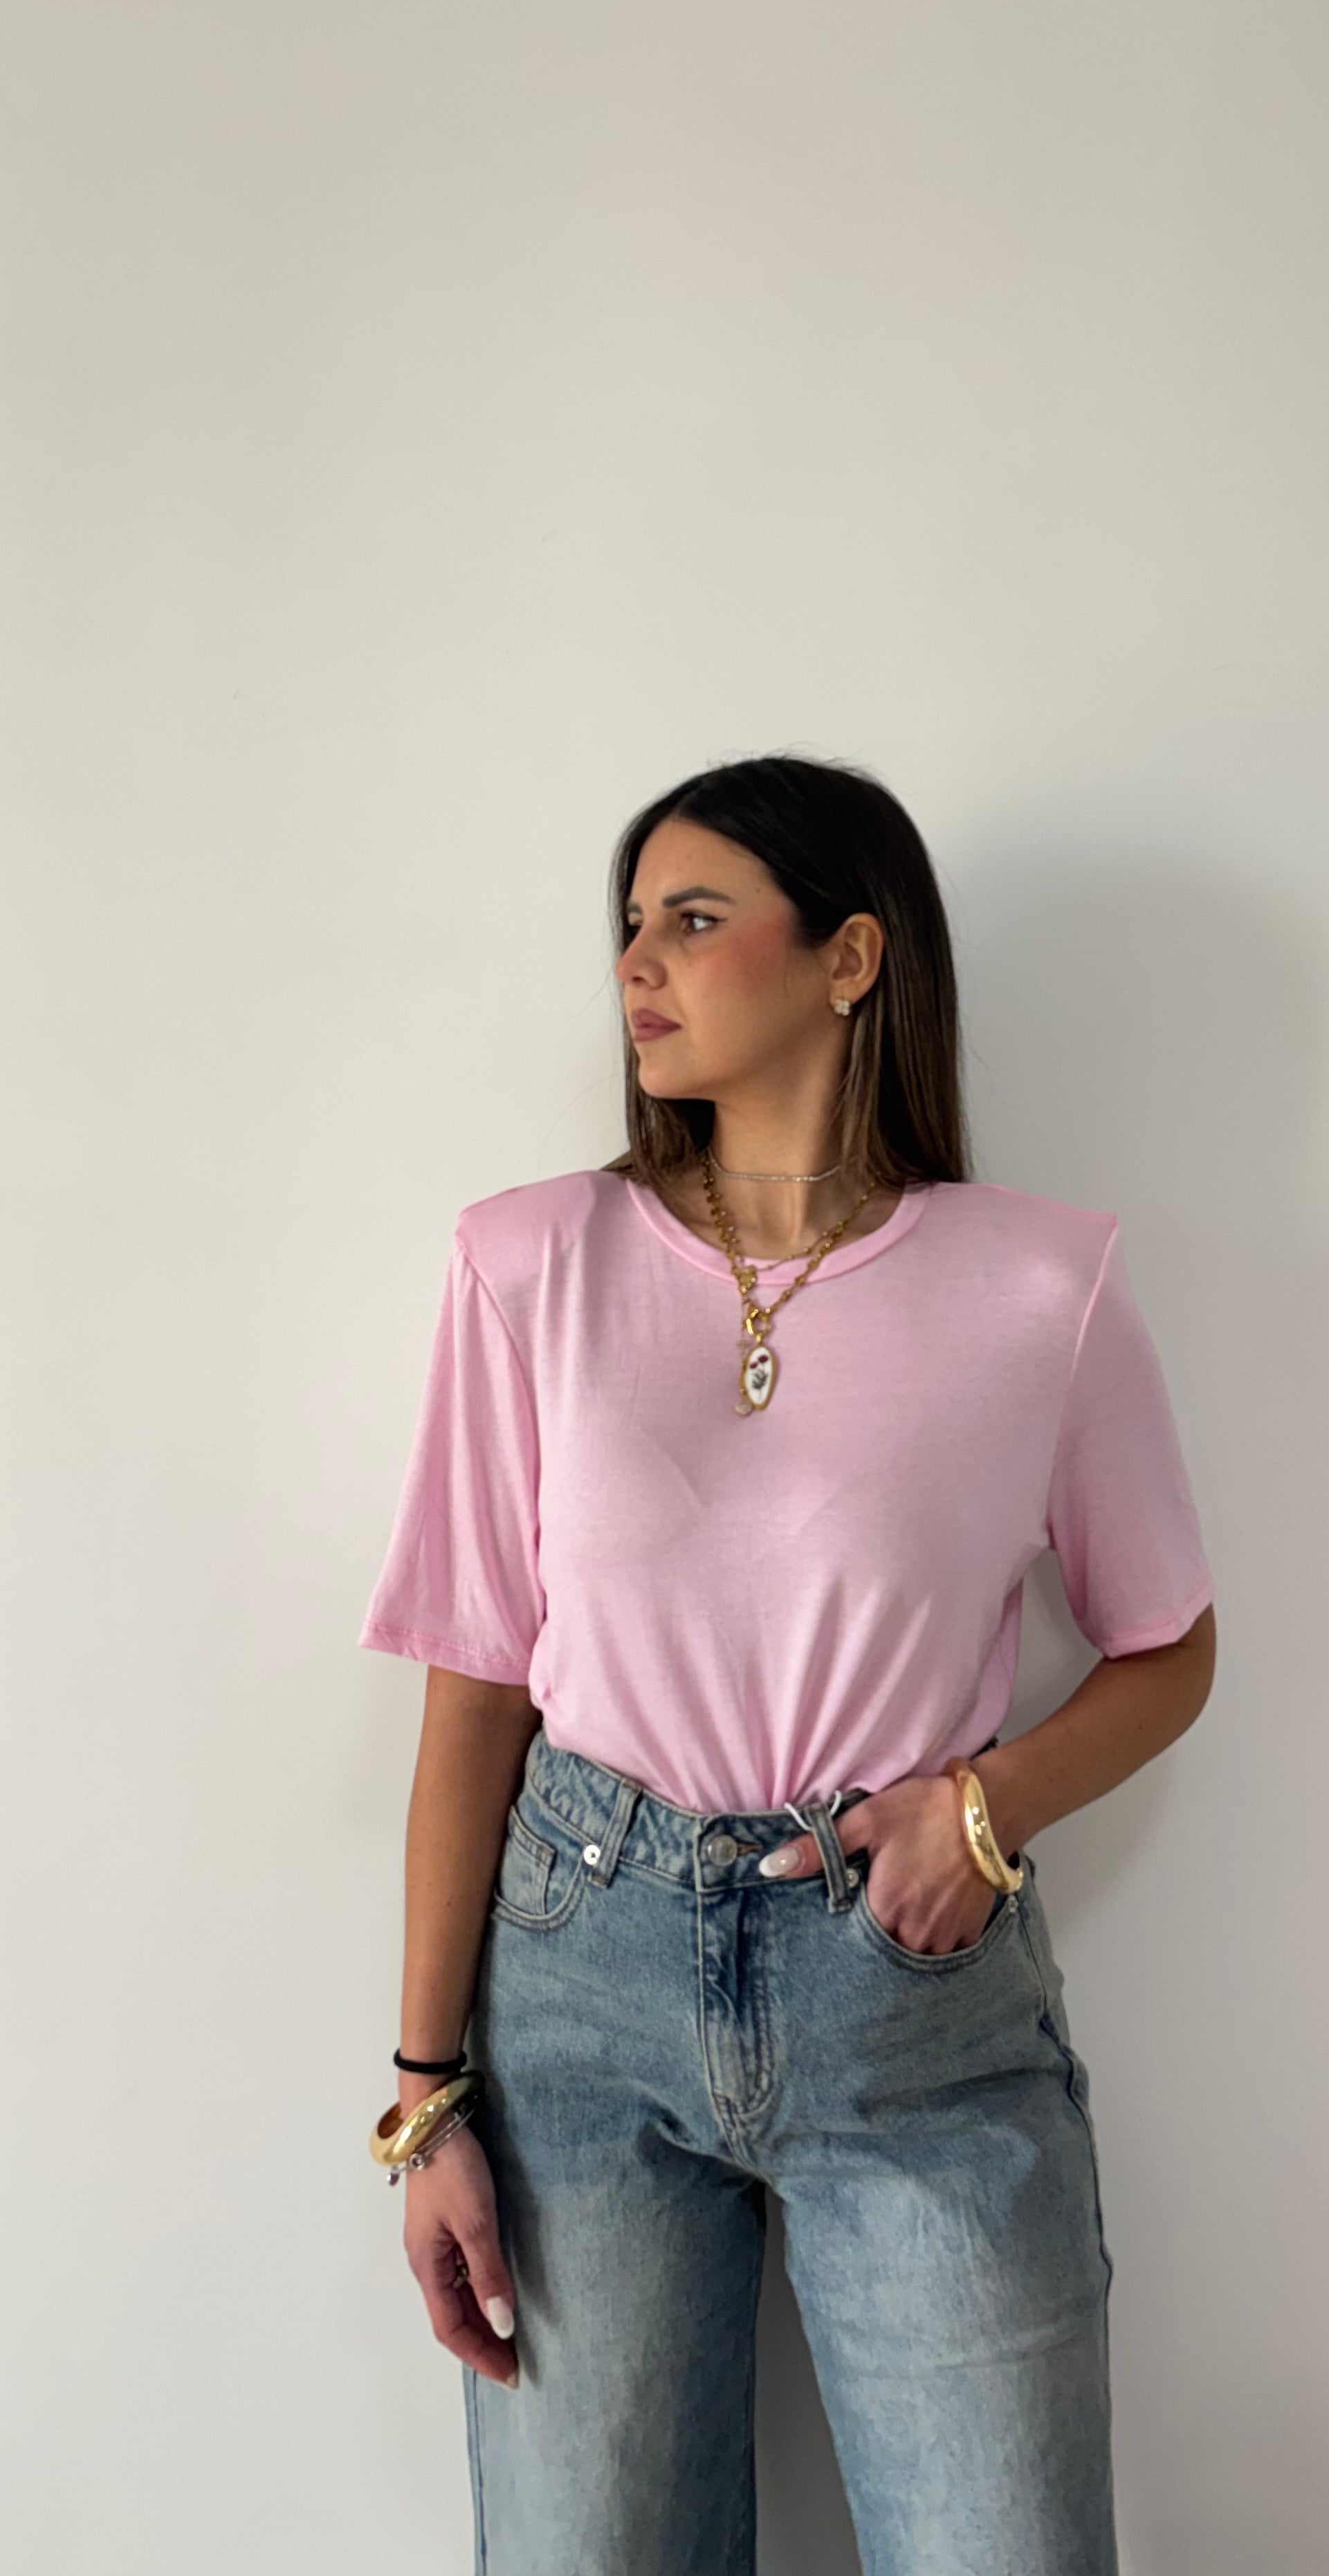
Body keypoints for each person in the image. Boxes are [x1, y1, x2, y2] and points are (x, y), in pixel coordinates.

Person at [358, 752, 1218, 2575]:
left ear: (849, 955)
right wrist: (426, 2099)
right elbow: (476, 1687)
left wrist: (983, 1810)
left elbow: (1168, 1646)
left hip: (909, 1997)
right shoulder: (528, 1264)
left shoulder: (1038, 1286)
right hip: (578, 1984)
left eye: (693, 918)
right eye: (628, 926)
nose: (638, 965)